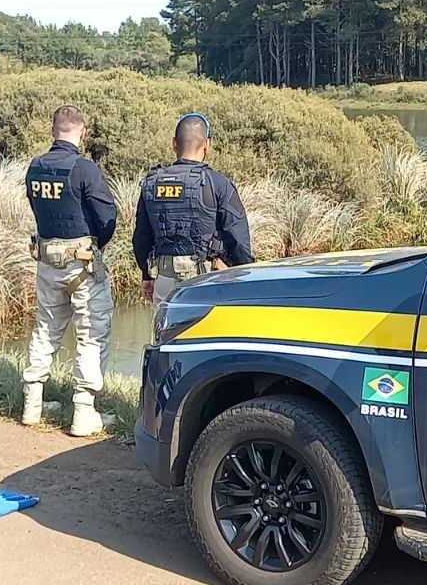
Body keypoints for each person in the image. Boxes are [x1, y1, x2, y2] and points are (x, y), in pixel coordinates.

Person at [21, 105, 117, 437]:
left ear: (53, 131)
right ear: (83, 133)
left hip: (47, 262)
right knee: (92, 334)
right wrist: (94, 244)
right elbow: (107, 218)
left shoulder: (35, 167)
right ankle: (84, 411)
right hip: (83, 264)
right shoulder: (85, 169)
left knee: (45, 329)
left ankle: (32, 403)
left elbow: (36, 208)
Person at [133, 112, 254, 305]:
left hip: (164, 278)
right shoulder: (218, 183)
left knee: (167, 334)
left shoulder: (152, 182)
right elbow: (238, 239)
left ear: (174, 143)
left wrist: (146, 275)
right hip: (206, 279)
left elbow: (141, 237)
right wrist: (248, 275)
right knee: (206, 334)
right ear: (206, 145)